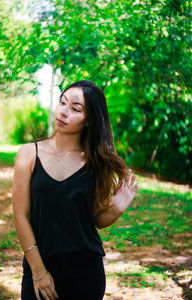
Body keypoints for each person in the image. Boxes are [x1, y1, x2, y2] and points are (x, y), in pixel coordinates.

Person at [12, 80, 138, 300]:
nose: (63, 112)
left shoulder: (96, 162)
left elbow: (95, 219)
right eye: (63, 103)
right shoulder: (28, 154)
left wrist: (116, 209)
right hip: (40, 266)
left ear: (89, 120)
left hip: (85, 272)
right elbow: (20, 215)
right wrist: (39, 272)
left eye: (75, 109)